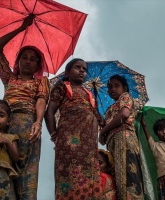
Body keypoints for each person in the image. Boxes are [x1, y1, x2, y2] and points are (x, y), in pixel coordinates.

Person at [0, 14, 50, 199]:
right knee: (1, 166)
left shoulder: (41, 82)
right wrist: (21, 27)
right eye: (24, 57)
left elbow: (41, 100)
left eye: (33, 59)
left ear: (38, 65)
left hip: (28, 126)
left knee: (27, 170)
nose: (28, 61)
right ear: (18, 61)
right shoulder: (9, 78)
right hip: (4, 124)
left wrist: (38, 123)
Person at [45, 58, 103, 199]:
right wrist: (54, 134)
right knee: (70, 174)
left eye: (84, 69)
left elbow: (100, 119)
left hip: (89, 144)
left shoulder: (89, 94)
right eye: (78, 67)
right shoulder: (63, 87)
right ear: (67, 72)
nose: (82, 71)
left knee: (89, 176)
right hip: (69, 140)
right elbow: (49, 112)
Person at [98, 74, 144, 199]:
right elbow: (107, 125)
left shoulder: (125, 97)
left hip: (124, 137)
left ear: (124, 88)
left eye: (116, 86)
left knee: (128, 175)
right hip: (113, 142)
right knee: (118, 177)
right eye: (110, 87)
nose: (112, 89)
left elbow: (124, 115)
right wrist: (100, 120)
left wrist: (103, 132)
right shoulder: (109, 109)